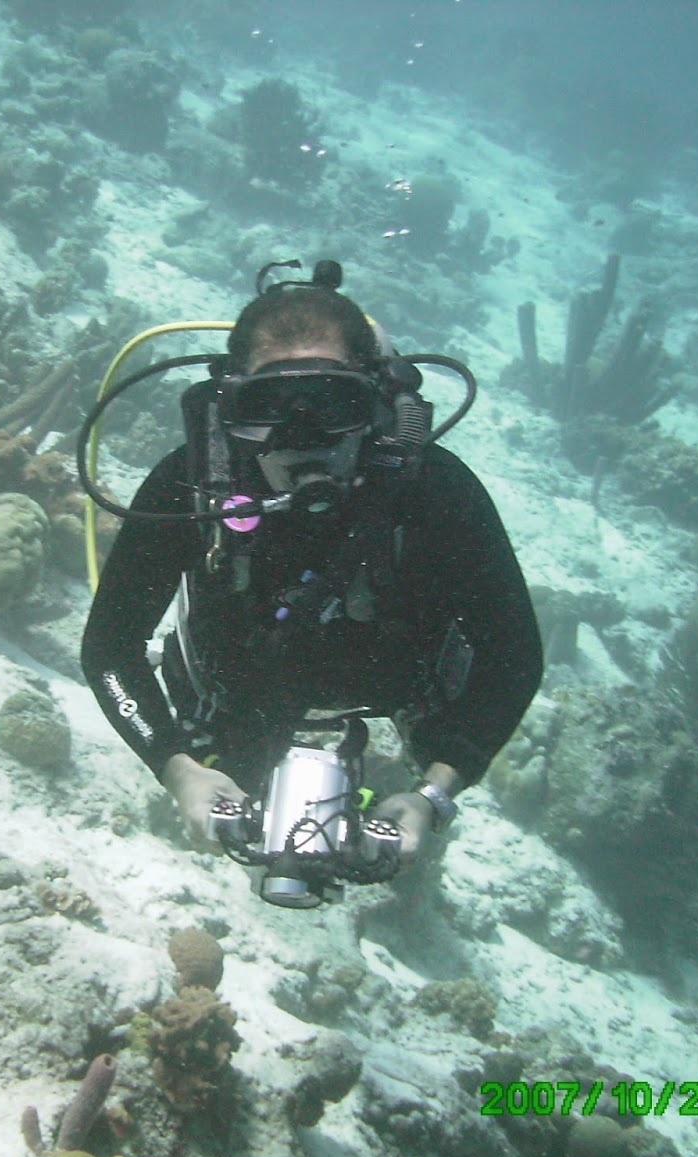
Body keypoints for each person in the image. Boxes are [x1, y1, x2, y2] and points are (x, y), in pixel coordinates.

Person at [80, 267, 542, 871]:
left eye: (332, 403)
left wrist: (437, 791)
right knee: (235, 799)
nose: (301, 438)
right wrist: (177, 769)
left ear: (374, 403)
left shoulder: (435, 487)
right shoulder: (189, 484)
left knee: (414, 826)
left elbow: (515, 654)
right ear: (232, 406)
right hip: (239, 690)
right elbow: (110, 648)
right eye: (268, 406)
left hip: (404, 684)